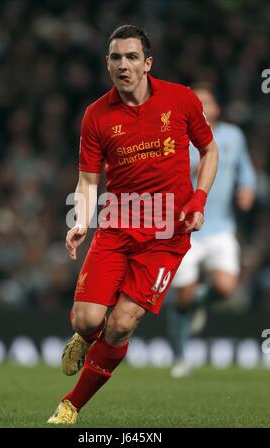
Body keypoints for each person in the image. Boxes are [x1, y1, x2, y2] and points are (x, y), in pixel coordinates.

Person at [47, 26, 218, 424]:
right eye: (115, 58)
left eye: (131, 57)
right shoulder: (95, 116)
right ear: (107, 63)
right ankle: (86, 338)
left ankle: (71, 405)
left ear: (147, 63)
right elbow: (88, 181)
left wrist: (199, 198)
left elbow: (209, 151)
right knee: (87, 320)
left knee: (122, 323)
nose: (123, 65)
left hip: (165, 234)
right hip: (117, 227)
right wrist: (81, 222)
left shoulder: (181, 99)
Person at [167, 82, 256, 378]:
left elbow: (245, 168)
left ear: (217, 108)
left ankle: (197, 305)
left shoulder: (233, 136)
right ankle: (180, 358)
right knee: (183, 296)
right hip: (186, 229)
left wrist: (247, 188)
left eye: (207, 103)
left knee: (225, 288)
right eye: (197, 103)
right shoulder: (178, 137)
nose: (203, 109)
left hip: (220, 228)